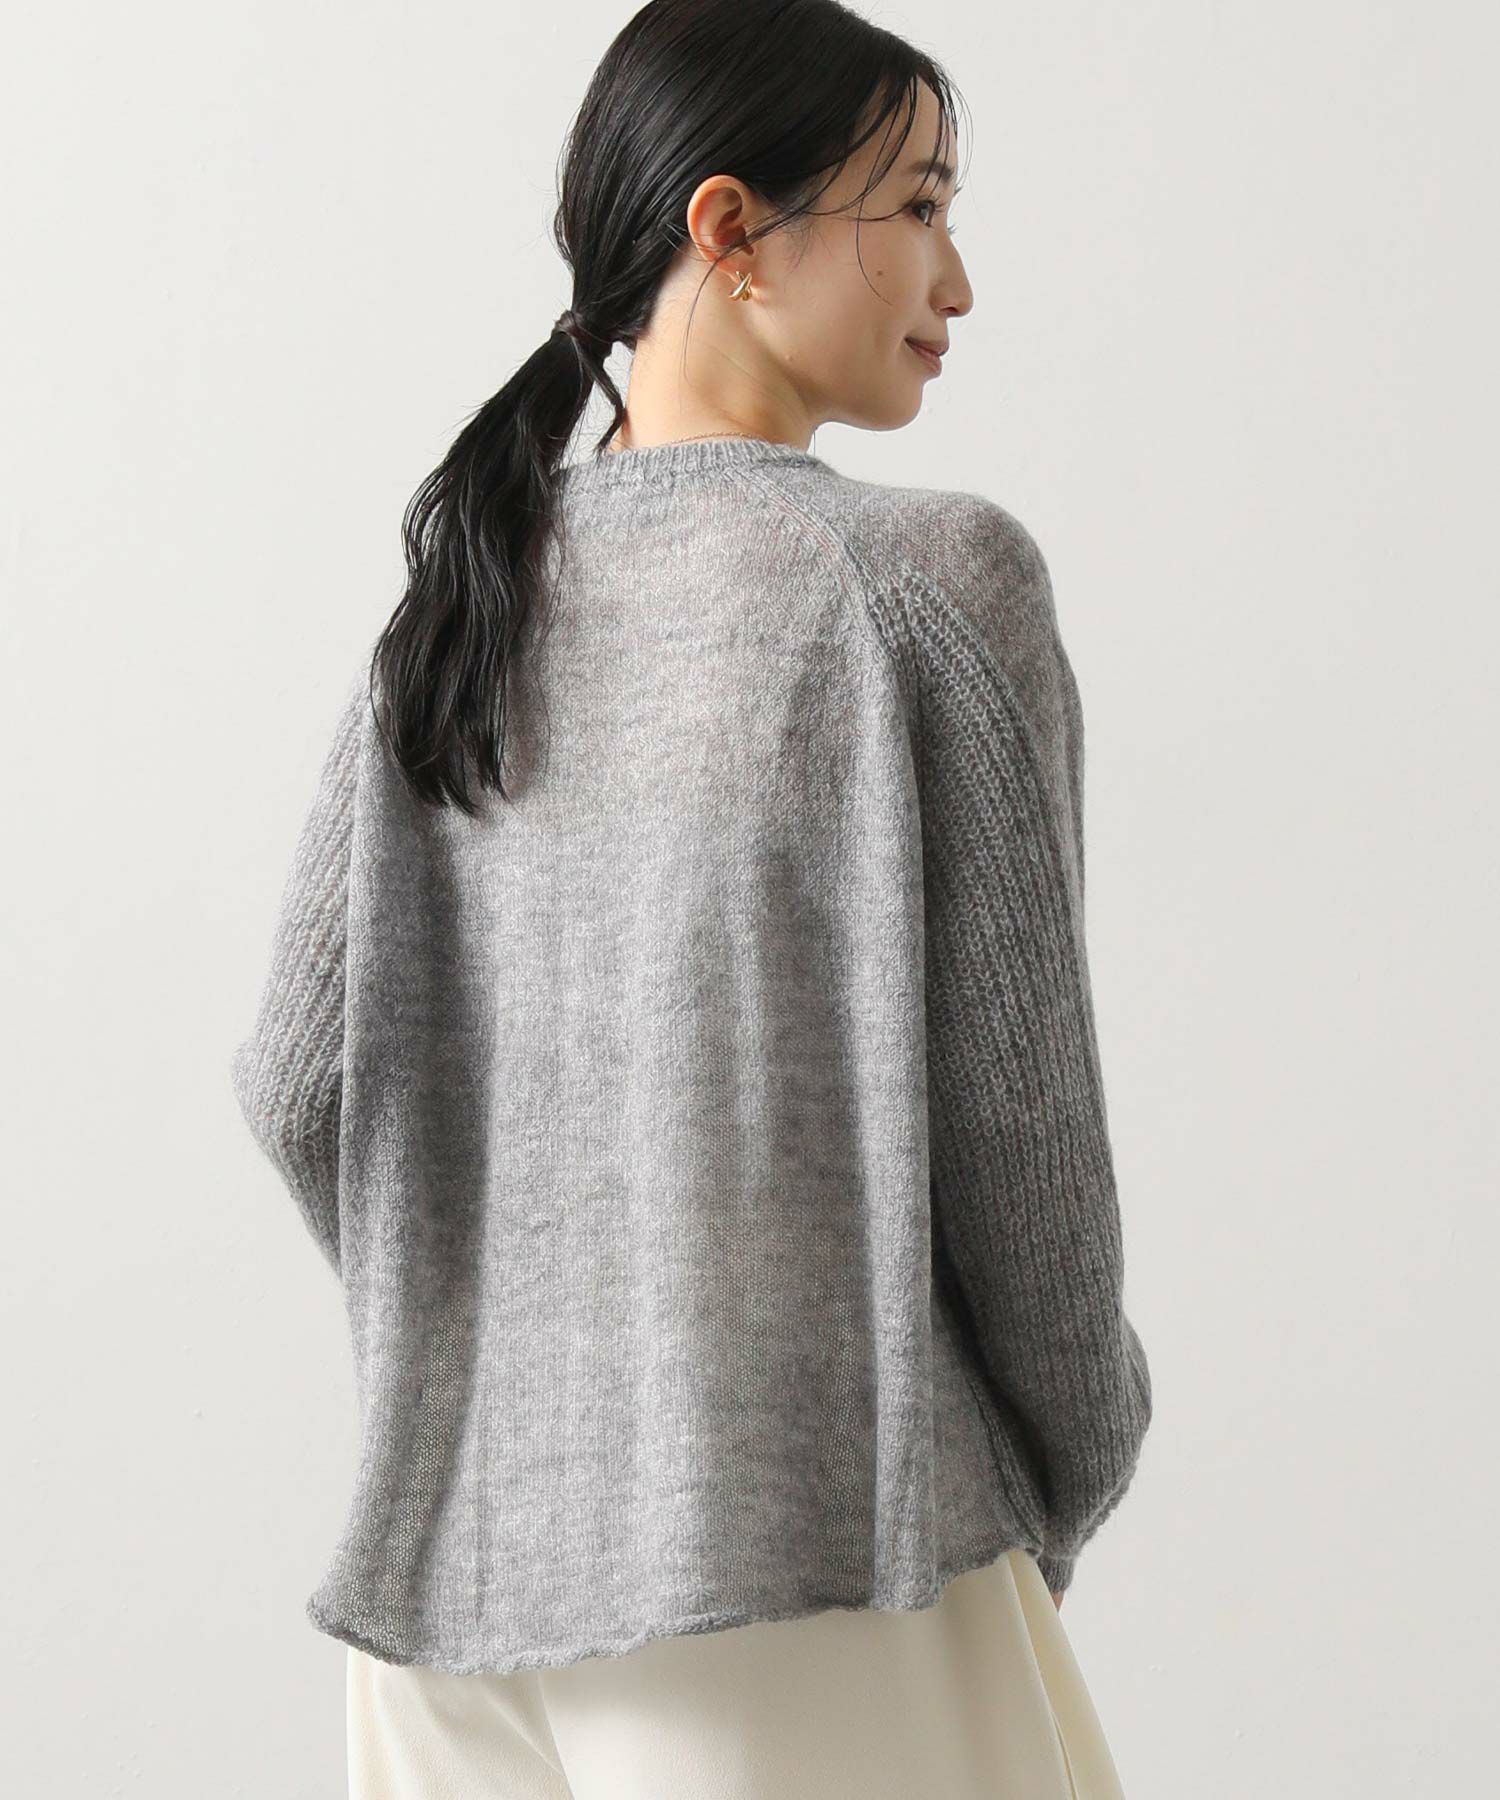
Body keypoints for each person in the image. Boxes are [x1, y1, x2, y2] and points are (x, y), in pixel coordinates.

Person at [228, 1, 1154, 1794]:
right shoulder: (921, 585)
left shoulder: (457, 615)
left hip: (445, 1607)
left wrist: (513, 1356)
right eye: (918, 207)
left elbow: (300, 1078)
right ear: (729, 229)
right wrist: (1073, 1456)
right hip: (806, 1557)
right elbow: (1024, 1140)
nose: (957, 282)